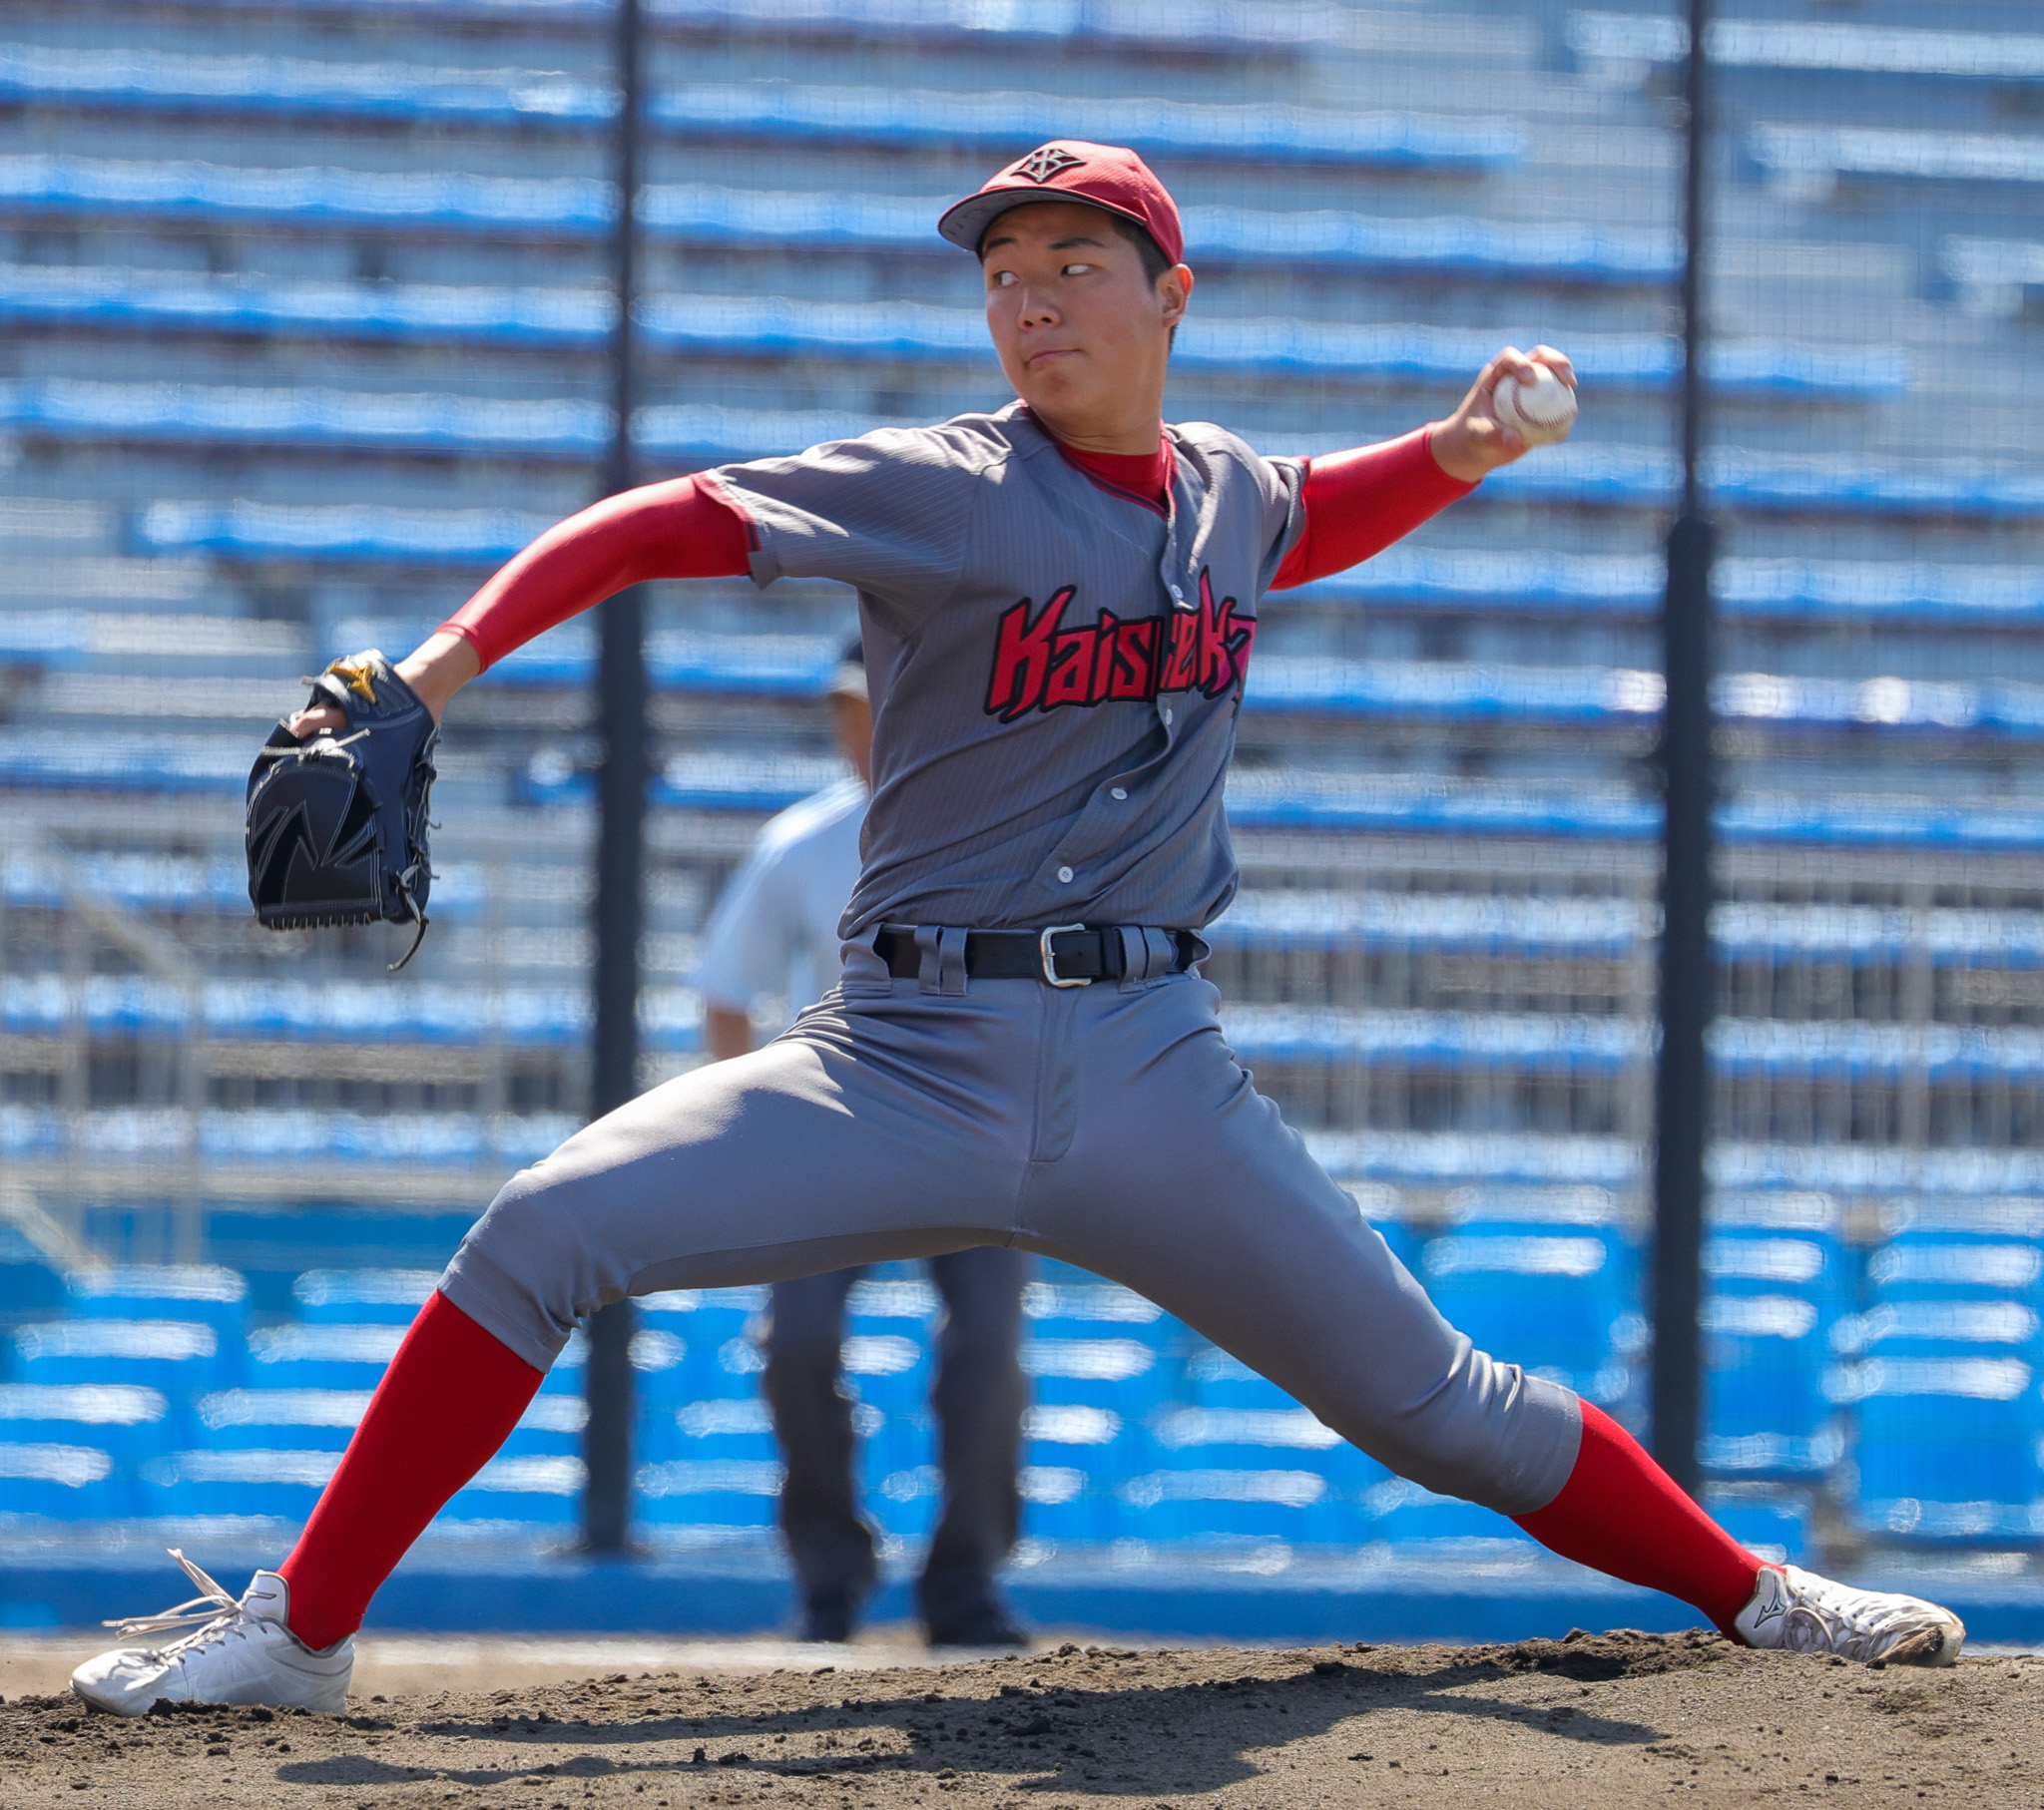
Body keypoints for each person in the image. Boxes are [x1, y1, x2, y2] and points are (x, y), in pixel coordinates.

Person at [76, 140, 1963, 1715]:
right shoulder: (944, 487)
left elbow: (1306, 519)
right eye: (1003, 274)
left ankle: (1762, 1594)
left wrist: (1456, 451)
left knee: (1443, 1406)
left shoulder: (1224, 491)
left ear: (1169, 292)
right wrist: (435, 667)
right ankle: (299, 1628)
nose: (1030, 300)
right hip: (893, 1055)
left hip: (1153, 1070)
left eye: (1072, 262)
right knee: (534, 1232)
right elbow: (652, 520)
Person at [694, 644, 1028, 1647]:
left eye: (873, 705)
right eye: (846, 707)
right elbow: (723, 986)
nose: (858, 726)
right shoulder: (803, 840)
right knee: (791, 1340)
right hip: (831, 1118)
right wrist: (752, 1120)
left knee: (989, 1352)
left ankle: (963, 1583)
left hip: (973, 1120)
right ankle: (829, 1581)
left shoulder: (995, 828)